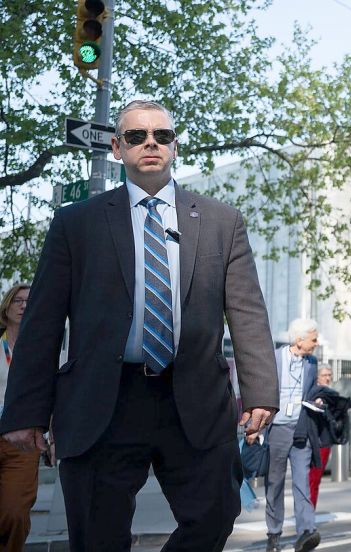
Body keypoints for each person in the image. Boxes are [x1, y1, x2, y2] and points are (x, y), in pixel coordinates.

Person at [0, 99, 279, 551]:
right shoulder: (76, 224)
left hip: (193, 400)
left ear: (174, 146)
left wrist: (262, 392)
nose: (150, 143)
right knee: (97, 537)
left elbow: (247, 312)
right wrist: (27, 411)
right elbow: (42, 322)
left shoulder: (221, 222)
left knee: (214, 518)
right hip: (102, 403)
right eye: (136, 136)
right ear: (116, 147)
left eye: (161, 136)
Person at [264, 318, 322, 552]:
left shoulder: (312, 363)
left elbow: (310, 390)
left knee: (302, 482)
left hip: (301, 429)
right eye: (313, 339)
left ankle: (306, 531)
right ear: (299, 340)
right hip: (277, 427)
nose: (316, 343)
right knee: (275, 483)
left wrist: (315, 400)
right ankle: (274, 533)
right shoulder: (274, 357)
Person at [0, 283, 39, 552]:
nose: (24, 305)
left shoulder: (41, 349)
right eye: (18, 301)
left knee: (14, 513)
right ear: (7, 307)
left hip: (21, 442)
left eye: (29, 301)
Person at [307, 366, 333, 508]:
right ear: (317, 377)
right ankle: (306, 514)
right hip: (310, 441)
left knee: (315, 479)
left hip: (324, 441)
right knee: (307, 480)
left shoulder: (332, 394)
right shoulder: (311, 392)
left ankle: (310, 512)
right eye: (324, 375)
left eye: (330, 375)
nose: (328, 378)